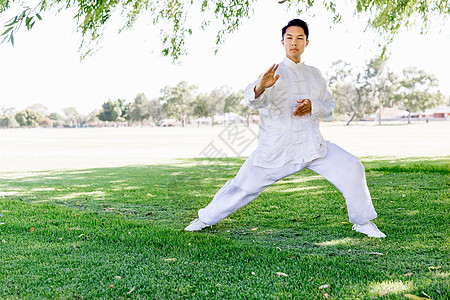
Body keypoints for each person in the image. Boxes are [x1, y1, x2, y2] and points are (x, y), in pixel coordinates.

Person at [185, 19, 386, 238]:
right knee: (242, 187)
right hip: (276, 150)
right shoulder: (273, 73)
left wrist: (312, 106)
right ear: (282, 41)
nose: (294, 42)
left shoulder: (315, 74)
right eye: (289, 38)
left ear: (306, 42)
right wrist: (261, 86)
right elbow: (253, 101)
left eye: (299, 38)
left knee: (351, 166)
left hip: (313, 148)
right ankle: (205, 218)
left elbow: (329, 107)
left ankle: (362, 221)